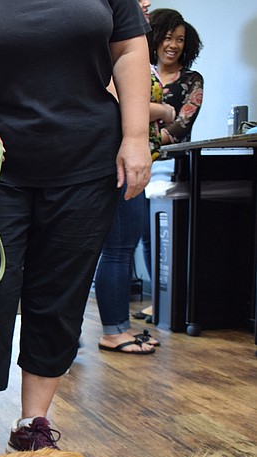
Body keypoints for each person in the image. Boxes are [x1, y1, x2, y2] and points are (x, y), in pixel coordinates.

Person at [0, 0, 152, 457]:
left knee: (60, 294)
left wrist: (136, 136)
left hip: (84, 160)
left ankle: (32, 426)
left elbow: (128, 50)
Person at [95, 0, 172, 355]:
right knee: (118, 248)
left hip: (123, 157)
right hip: (117, 157)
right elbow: (115, 96)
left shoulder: (128, 42)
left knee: (119, 249)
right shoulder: (110, 43)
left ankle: (118, 326)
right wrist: (165, 110)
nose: (145, 2)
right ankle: (114, 329)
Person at [134, 8, 203, 321]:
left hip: (168, 166)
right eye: (168, 37)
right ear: (155, 37)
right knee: (140, 233)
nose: (173, 44)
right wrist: (161, 112)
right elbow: (124, 110)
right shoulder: (139, 70)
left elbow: (181, 125)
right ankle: (155, 301)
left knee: (159, 234)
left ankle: (164, 301)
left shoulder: (191, 80)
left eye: (180, 40)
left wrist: (147, 132)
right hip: (134, 159)